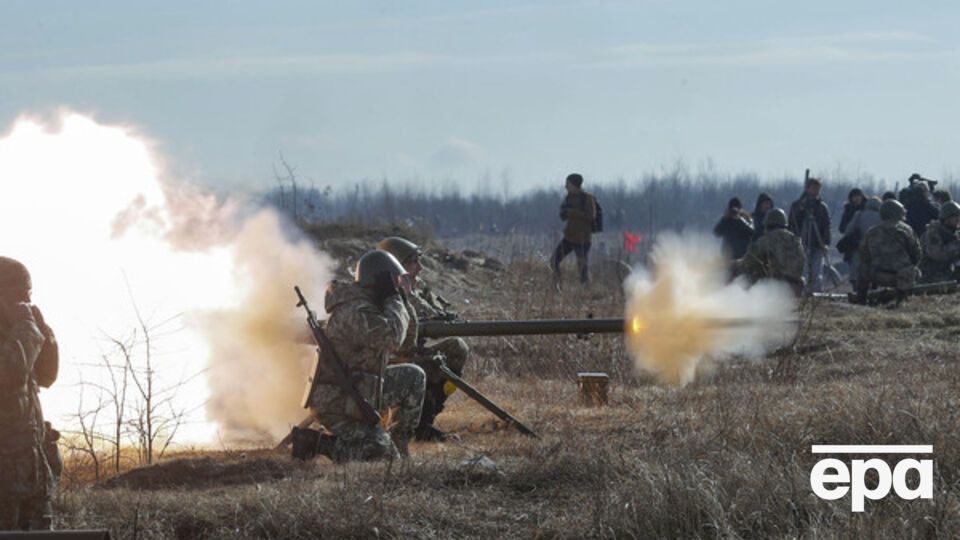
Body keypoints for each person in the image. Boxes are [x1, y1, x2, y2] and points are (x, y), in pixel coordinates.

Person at [306, 250, 426, 462]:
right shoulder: (355, 311)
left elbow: (407, 343)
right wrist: (393, 299)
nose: (395, 286)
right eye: (393, 282)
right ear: (379, 283)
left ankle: (399, 444)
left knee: (414, 376)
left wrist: (401, 299)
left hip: (361, 390)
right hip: (337, 403)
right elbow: (391, 339)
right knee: (378, 450)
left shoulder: (373, 306)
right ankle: (316, 443)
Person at [377, 236, 470, 442]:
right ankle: (411, 426)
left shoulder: (414, 287)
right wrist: (407, 294)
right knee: (437, 359)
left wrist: (414, 293)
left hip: (409, 353)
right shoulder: (383, 290)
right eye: (414, 262)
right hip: (391, 361)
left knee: (456, 348)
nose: (420, 268)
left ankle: (425, 421)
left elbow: (438, 316)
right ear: (397, 265)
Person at [0, 257, 58, 531]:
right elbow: (10, 374)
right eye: (18, 293)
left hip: (31, 478)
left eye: (29, 293)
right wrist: (26, 329)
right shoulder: (20, 335)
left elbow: (47, 376)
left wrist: (43, 332)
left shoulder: (19, 333)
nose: (26, 301)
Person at [856, 200, 922, 305]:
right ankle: (901, 299)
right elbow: (917, 254)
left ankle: (861, 299)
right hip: (901, 277)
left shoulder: (872, 231)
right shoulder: (906, 230)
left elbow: (864, 254)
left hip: (877, 275)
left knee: (862, 267)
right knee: (914, 270)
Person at [735, 209, 805, 295]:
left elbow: (748, 261)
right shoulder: (795, 240)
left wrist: (733, 264)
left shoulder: (767, 240)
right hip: (795, 286)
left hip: (775, 286)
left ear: (768, 225)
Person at [551, 173, 598, 288]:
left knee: (582, 267)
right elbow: (563, 216)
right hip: (569, 237)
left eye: (568, 184)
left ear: (574, 184)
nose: (566, 186)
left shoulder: (587, 198)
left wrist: (572, 212)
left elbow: (591, 216)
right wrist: (564, 212)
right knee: (554, 261)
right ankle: (558, 286)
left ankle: (586, 290)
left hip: (582, 239)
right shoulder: (568, 198)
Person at [788, 176, 831, 293]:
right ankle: (801, 295)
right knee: (802, 273)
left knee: (817, 274)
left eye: (818, 188)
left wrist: (825, 243)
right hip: (801, 245)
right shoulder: (797, 205)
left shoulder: (822, 207)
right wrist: (801, 208)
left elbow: (827, 227)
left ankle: (817, 295)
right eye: (813, 188)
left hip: (817, 245)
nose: (816, 191)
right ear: (807, 188)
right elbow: (792, 223)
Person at [837, 197, 882, 287]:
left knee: (857, 267)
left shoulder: (859, 214)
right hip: (877, 248)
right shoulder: (882, 217)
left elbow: (848, 231)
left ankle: (857, 286)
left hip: (860, 246)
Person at [919, 201, 960, 283]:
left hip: (947, 273)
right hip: (931, 276)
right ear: (947, 219)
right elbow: (938, 254)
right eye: (956, 216)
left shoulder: (952, 232)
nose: (959, 219)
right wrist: (957, 245)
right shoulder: (933, 233)